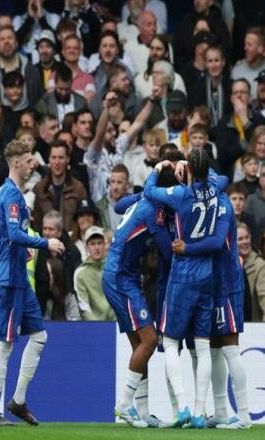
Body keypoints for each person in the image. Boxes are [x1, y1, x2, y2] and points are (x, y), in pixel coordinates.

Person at [0, 140, 65, 426]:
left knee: (39, 337)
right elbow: (14, 234)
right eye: (28, 160)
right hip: (9, 279)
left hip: (17, 277)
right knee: (5, 344)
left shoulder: (1, 194)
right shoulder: (11, 195)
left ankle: (17, 401)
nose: (32, 165)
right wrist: (45, 243)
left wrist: (15, 248)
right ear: (16, 162)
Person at [143, 150, 227, 428]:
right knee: (202, 347)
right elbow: (220, 178)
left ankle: (182, 407)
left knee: (169, 342)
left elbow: (149, 191)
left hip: (183, 274)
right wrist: (194, 168)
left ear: (188, 168)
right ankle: (200, 413)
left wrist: (158, 168)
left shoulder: (181, 195)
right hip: (207, 274)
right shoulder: (215, 190)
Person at [102, 166, 174, 428]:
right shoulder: (154, 211)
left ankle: (142, 412)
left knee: (140, 345)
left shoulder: (144, 199)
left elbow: (119, 205)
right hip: (120, 277)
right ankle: (124, 404)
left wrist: (151, 180)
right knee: (150, 340)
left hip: (122, 275)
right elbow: (168, 252)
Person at [172, 191, 251, 429]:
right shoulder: (203, 201)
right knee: (215, 348)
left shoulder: (223, 202)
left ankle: (244, 416)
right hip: (211, 282)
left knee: (230, 348)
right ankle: (221, 412)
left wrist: (187, 248)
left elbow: (217, 243)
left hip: (227, 282)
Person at [74, 226, 115, 321]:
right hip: (93, 325)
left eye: (99, 243)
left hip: (116, 323)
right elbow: (84, 306)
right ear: (86, 248)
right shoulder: (80, 273)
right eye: (92, 244)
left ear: (104, 245)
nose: (97, 247)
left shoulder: (115, 268)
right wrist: (97, 326)